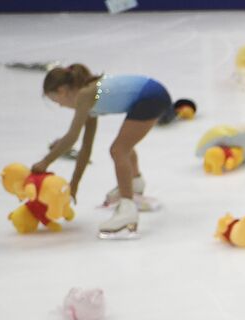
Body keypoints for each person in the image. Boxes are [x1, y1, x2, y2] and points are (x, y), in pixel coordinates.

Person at [33, 64, 172, 239]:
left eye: (56, 101)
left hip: (151, 96)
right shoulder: (91, 98)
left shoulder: (86, 95)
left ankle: (127, 209)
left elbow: (71, 137)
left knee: (118, 150)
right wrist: (74, 185)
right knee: (123, 146)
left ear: (62, 91)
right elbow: (85, 148)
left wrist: (45, 162)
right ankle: (134, 184)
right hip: (151, 94)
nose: (60, 106)